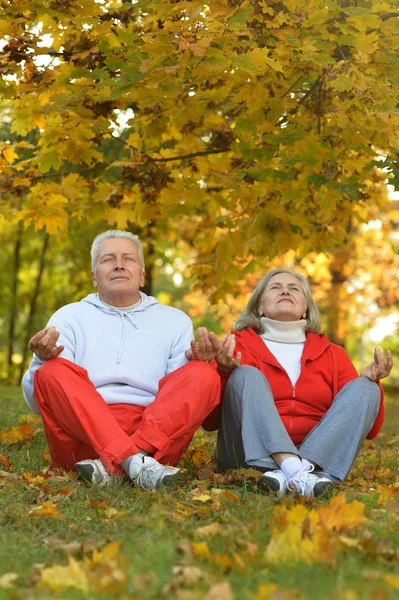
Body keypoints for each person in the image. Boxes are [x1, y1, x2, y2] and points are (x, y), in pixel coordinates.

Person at [22, 230, 220, 490]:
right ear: (95, 276)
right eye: (108, 259)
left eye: (128, 258)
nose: (118, 264)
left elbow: (177, 400)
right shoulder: (68, 317)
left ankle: (115, 465)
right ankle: (136, 464)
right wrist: (40, 360)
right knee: (50, 371)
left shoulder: (175, 320)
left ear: (142, 275)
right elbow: (40, 401)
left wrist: (199, 363)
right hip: (87, 435)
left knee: (203, 374)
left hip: (154, 436)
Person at [202, 269, 393, 498]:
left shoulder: (333, 354)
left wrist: (374, 383)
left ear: (305, 309)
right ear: (259, 306)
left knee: (365, 387)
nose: (285, 290)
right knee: (245, 375)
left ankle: (293, 472)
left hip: (317, 456)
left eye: (294, 288)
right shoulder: (236, 346)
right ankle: (298, 471)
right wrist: (223, 372)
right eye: (275, 287)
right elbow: (210, 422)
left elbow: (371, 431)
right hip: (246, 457)